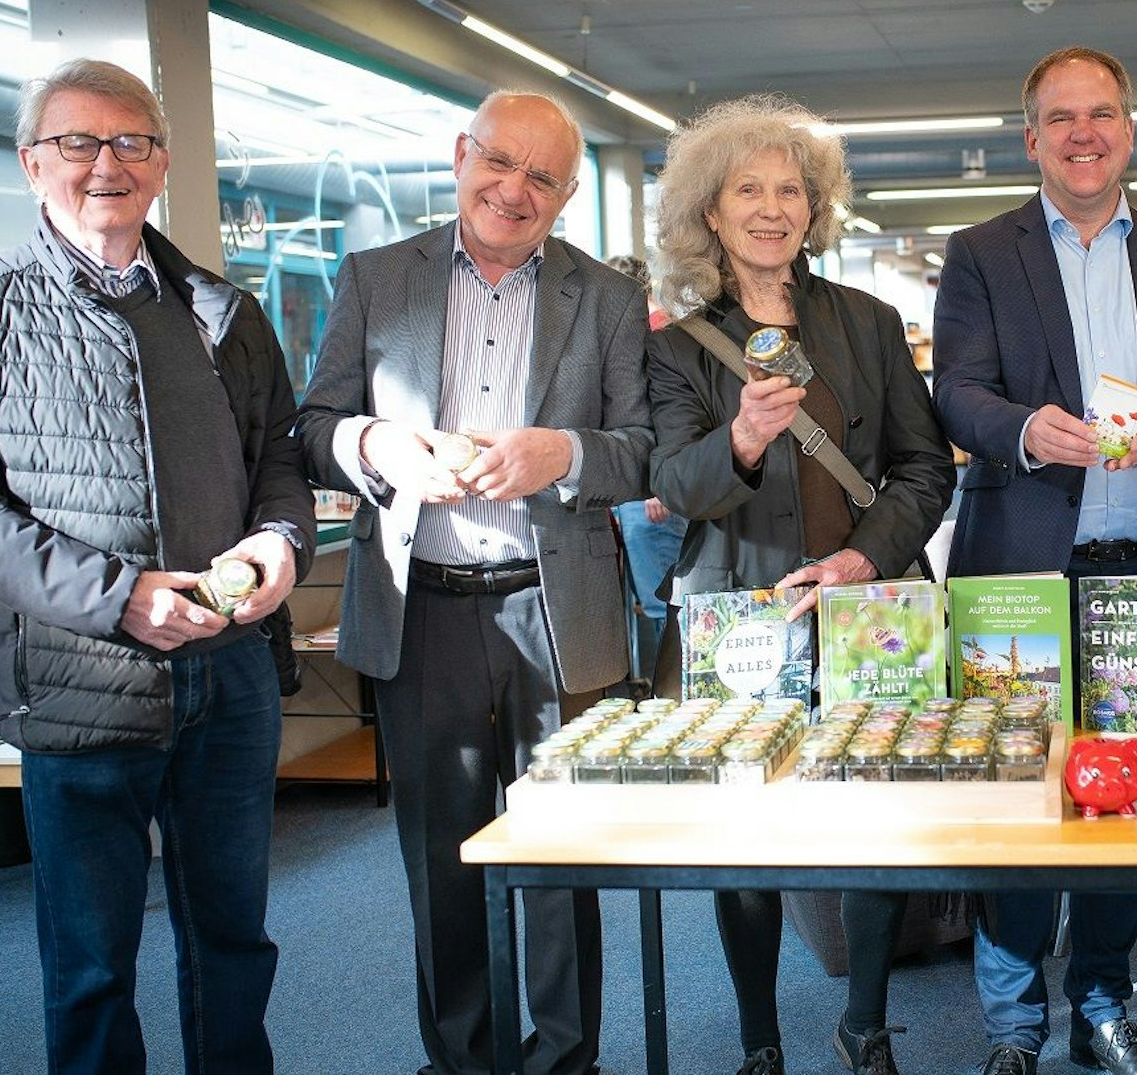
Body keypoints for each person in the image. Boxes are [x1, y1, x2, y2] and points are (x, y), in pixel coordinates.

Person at [0, 57, 313, 1074]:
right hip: (79, 686)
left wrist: (281, 538)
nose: (106, 163)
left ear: (162, 161)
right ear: (30, 164)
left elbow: (280, 460)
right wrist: (118, 597)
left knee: (234, 943)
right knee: (91, 965)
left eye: (131, 140)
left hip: (229, 677)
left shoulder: (225, 312)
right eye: (77, 142)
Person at [296, 90, 652, 1075]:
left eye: (542, 177)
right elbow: (313, 426)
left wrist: (564, 454)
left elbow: (644, 450)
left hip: (553, 610)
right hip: (424, 614)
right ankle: (461, 1056)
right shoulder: (377, 277)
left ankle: (566, 1055)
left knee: (560, 849)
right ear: (461, 156)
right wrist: (372, 442)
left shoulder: (607, 297)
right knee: (441, 854)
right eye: (499, 162)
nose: (514, 189)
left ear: (568, 194)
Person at [932, 45, 1137, 1075]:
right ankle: (1012, 1026)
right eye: (1059, 117)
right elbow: (958, 393)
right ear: (1030, 138)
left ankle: (1102, 1007)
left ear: (1128, 130)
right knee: (1017, 793)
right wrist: (1027, 429)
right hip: (1019, 568)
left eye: (1100, 113)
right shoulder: (980, 252)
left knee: (1126, 797)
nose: (1082, 133)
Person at [646, 94, 953, 1075]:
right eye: (749, 189)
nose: (772, 207)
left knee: (876, 820)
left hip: (869, 608)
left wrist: (865, 555)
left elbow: (923, 465)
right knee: (744, 838)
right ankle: (758, 1038)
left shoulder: (867, 322)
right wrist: (738, 437)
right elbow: (670, 482)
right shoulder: (676, 344)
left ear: (812, 208)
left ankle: (865, 1022)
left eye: (790, 188)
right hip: (743, 615)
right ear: (711, 210)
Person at [603, 253, 686, 690]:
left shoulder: (652, 333)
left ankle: (666, 696)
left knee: (661, 603)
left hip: (651, 495)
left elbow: (663, 418)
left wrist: (655, 486)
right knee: (664, 599)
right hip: (642, 491)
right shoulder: (665, 326)